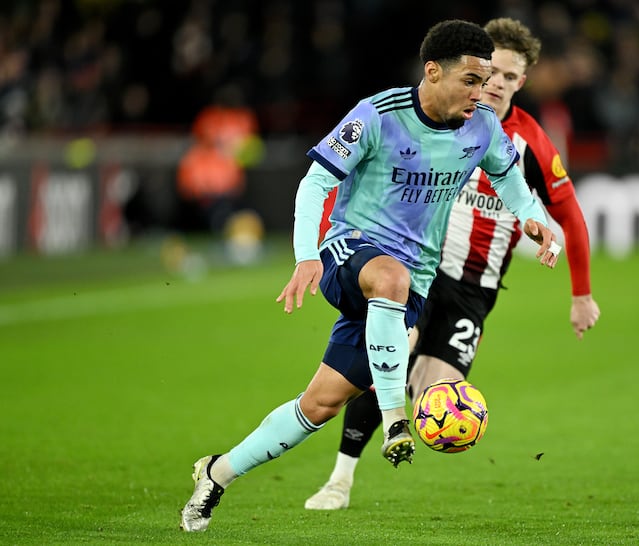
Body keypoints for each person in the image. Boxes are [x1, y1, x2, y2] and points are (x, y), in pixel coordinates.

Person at [180, 19, 561, 532]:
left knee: (320, 404)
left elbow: (507, 176)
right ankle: (395, 418)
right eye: (471, 80)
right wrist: (305, 256)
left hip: (414, 278)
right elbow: (314, 184)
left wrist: (529, 215)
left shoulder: (483, 128)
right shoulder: (377, 116)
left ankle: (217, 473)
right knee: (389, 280)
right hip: (349, 251)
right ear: (432, 72)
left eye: (488, 79)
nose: (483, 92)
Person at [304, 17, 600, 511]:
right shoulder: (434, 122)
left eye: (507, 77)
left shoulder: (527, 141)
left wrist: (581, 292)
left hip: (474, 291)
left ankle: (406, 426)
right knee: (385, 365)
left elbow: (568, 212)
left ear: (520, 82)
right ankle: (340, 479)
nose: (495, 85)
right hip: (421, 270)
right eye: (489, 74)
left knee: (439, 396)